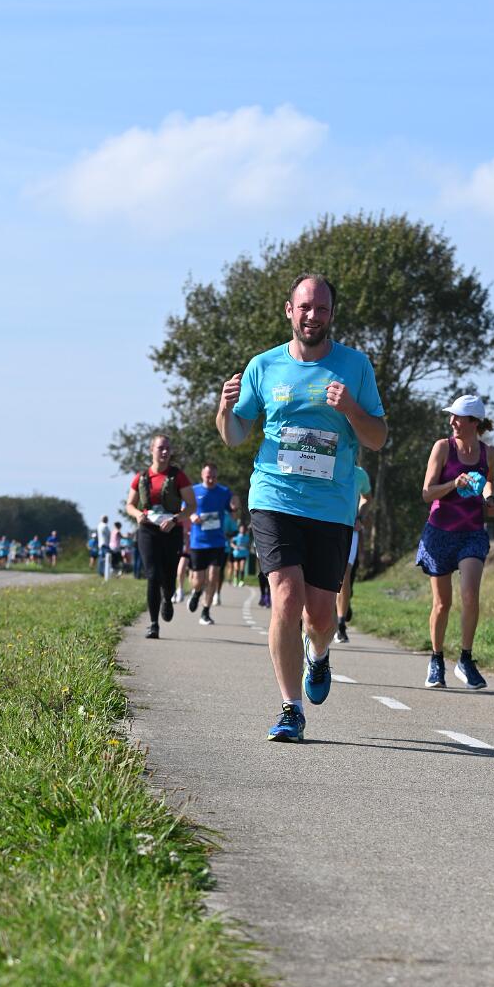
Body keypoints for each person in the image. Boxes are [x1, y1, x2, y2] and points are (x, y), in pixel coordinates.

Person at [217, 271, 387, 742]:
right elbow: (235, 435)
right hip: (274, 496)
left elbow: (376, 438)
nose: (313, 315)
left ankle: (320, 653)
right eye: (305, 307)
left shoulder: (355, 366)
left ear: (332, 314)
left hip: (331, 505)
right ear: (290, 311)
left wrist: (352, 409)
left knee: (320, 617)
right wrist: (224, 408)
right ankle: (291, 708)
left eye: (322, 308)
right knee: (286, 598)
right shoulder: (263, 366)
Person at [416, 394, 494, 690]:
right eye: (451, 416)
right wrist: (454, 483)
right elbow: (427, 493)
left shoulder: (489, 453)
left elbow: (488, 481)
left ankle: (465, 659)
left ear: (474, 422)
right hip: (440, 532)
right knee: (442, 604)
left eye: (458, 417)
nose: (452, 421)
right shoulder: (443, 447)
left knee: (470, 594)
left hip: (472, 532)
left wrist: (490, 499)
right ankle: (436, 659)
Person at [125, 436, 197, 638]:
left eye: (167, 448)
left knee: (169, 575)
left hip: (171, 531)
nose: (164, 452)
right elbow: (130, 505)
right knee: (152, 575)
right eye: (160, 448)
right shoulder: (141, 477)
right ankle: (153, 624)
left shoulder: (178, 476)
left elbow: (192, 506)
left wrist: (175, 519)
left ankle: (168, 597)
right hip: (148, 530)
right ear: (151, 450)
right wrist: (138, 514)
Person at [186, 463, 239, 625]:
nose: (211, 479)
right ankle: (196, 593)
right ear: (202, 475)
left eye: (214, 477)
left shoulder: (224, 492)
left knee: (213, 576)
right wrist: (192, 516)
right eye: (208, 476)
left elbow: (233, 513)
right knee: (199, 580)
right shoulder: (194, 491)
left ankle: (205, 612)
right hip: (198, 542)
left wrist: (235, 507)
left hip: (217, 541)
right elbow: (185, 509)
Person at [334, 459, 371, 642]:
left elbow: (367, 497)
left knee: (344, 575)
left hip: (349, 529)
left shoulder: (359, 473)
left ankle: (341, 625)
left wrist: (360, 517)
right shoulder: (324, 463)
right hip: (323, 525)